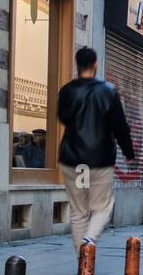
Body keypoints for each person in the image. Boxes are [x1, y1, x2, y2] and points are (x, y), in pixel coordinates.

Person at [56, 47, 135, 254]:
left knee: (79, 211)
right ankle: (89, 241)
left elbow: (63, 117)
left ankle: (83, 259)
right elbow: (120, 126)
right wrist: (128, 152)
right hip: (99, 160)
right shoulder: (108, 91)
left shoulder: (66, 92)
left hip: (73, 159)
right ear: (95, 65)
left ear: (77, 65)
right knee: (102, 207)